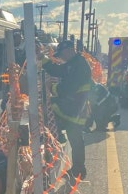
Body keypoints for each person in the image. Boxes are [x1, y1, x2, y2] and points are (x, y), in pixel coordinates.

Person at [40, 40, 92, 182]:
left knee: (75, 138)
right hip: (75, 106)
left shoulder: (79, 65)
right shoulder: (74, 63)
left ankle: (78, 169)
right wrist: (44, 60)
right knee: (75, 139)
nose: (61, 58)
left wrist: (54, 88)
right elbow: (59, 70)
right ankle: (78, 168)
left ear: (69, 51)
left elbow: (70, 86)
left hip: (75, 107)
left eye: (61, 55)